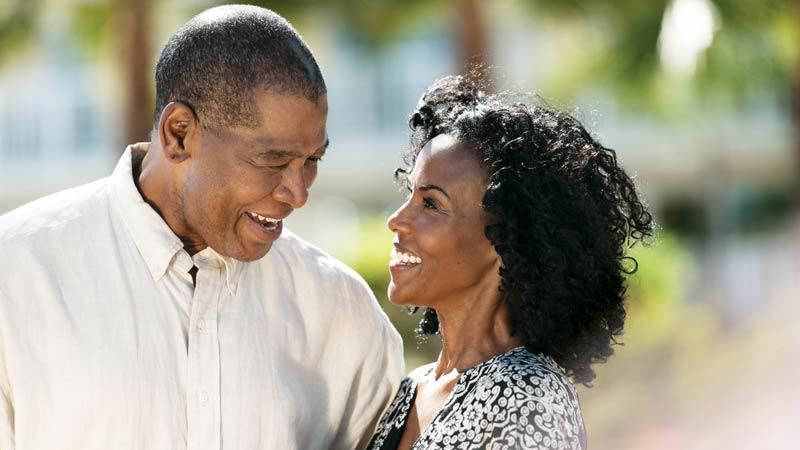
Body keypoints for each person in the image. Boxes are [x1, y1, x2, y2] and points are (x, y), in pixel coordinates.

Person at [0, 5, 403, 450]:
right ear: (179, 134)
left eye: (311, 162)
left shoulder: (341, 312)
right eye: (272, 160)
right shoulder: (15, 276)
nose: (298, 192)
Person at [367, 75, 653, 450]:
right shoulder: (411, 391)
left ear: (505, 239)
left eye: (431, 204)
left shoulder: (529, 395)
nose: (396, 220)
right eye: (410, 195)